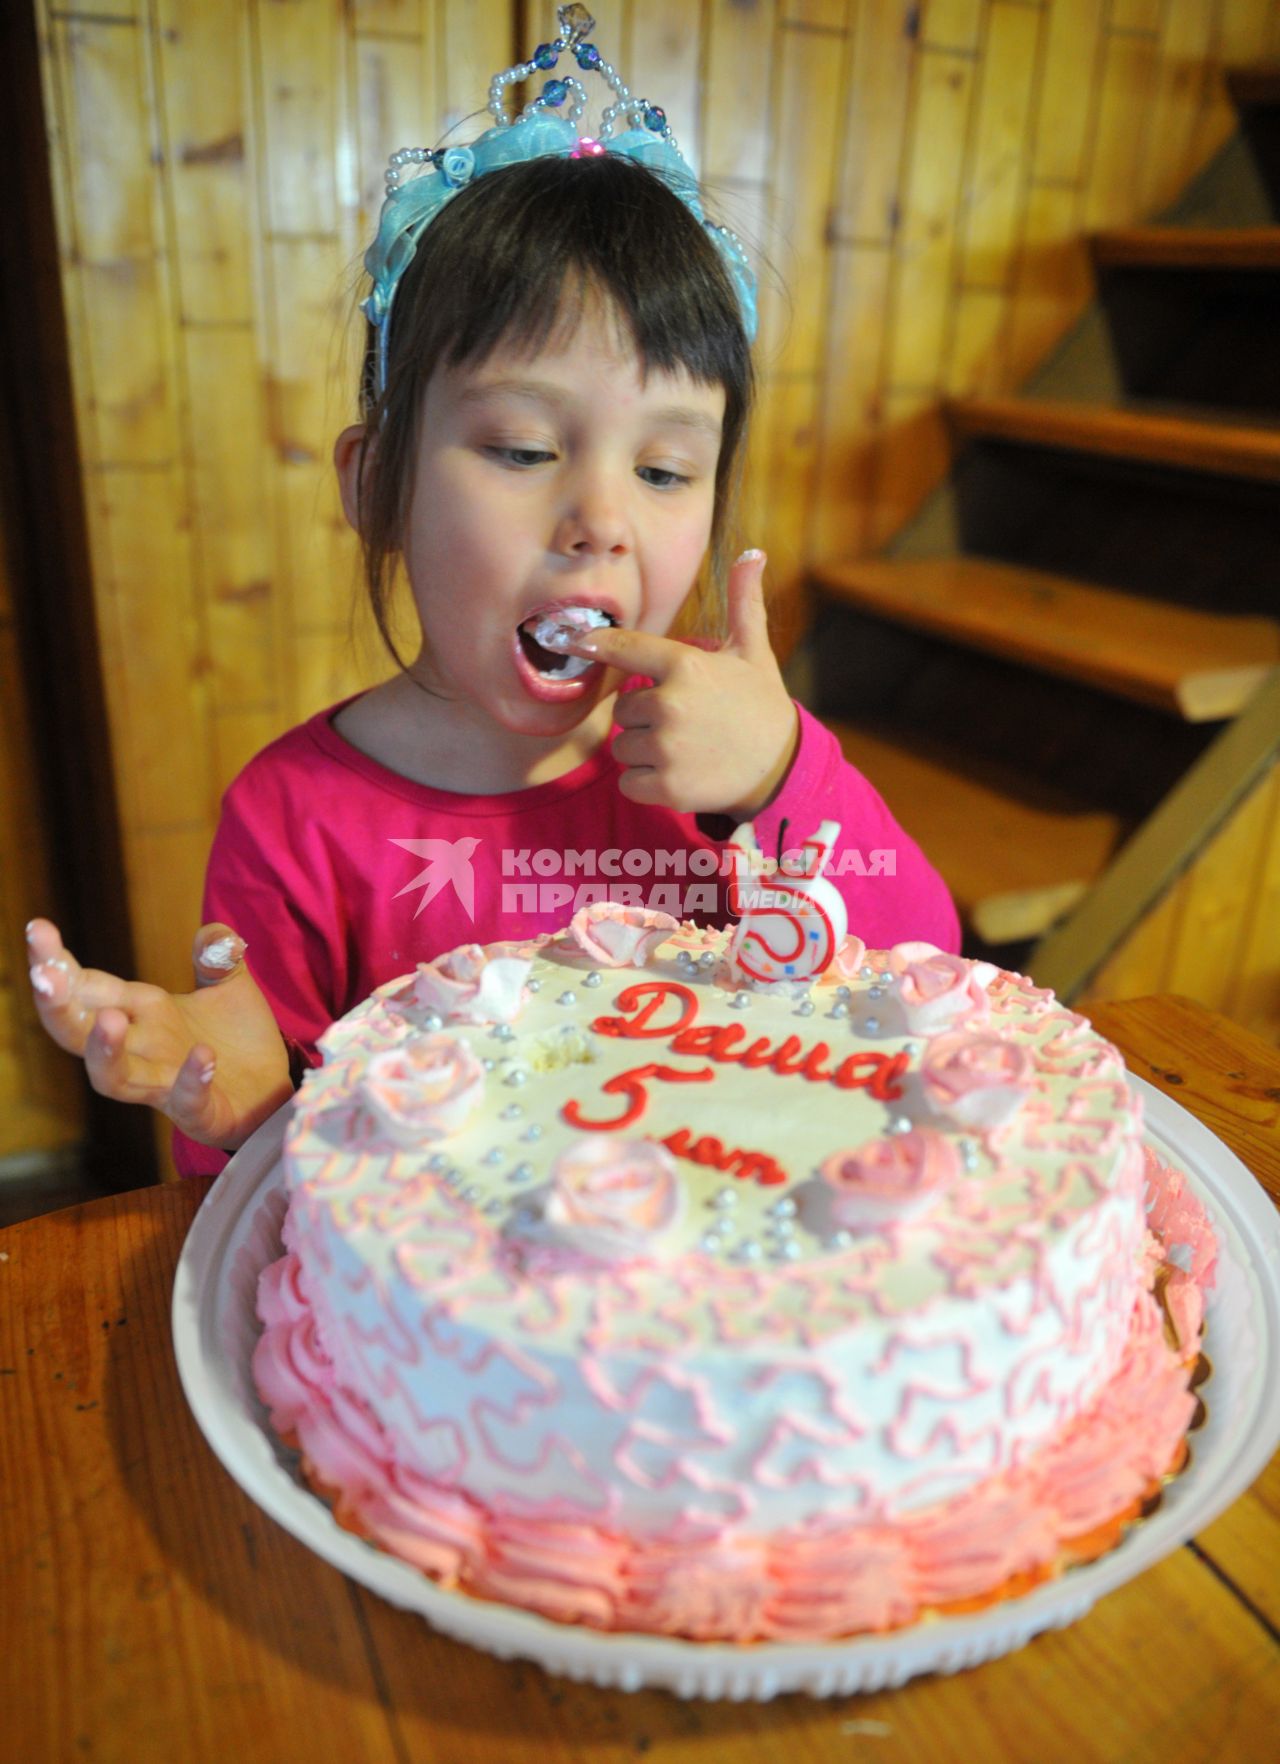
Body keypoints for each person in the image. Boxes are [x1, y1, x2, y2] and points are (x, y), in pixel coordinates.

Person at [26, 9, 959, 1181]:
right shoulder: (294, 824)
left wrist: (783, 775)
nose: (603, 520)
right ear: (378, 484)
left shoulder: (729, 794)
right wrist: (248, 1106)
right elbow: (278, 1196)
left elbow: (928, 973)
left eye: (665, 470)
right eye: (521, 448)